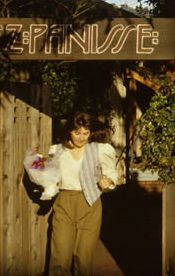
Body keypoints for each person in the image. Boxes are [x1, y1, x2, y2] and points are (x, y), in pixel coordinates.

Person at [48, 111, 119, 276]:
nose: (81, 137)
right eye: (77, 133)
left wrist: (108, 180)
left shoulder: (100, 149)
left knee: (83, 257)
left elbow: (112, 173)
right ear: (69, 131)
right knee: (59, 254)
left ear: (91, 133)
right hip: (64, 203)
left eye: (86, 133)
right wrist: (36, 160)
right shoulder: (56, 150)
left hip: (90, 204)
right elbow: (38, 170)